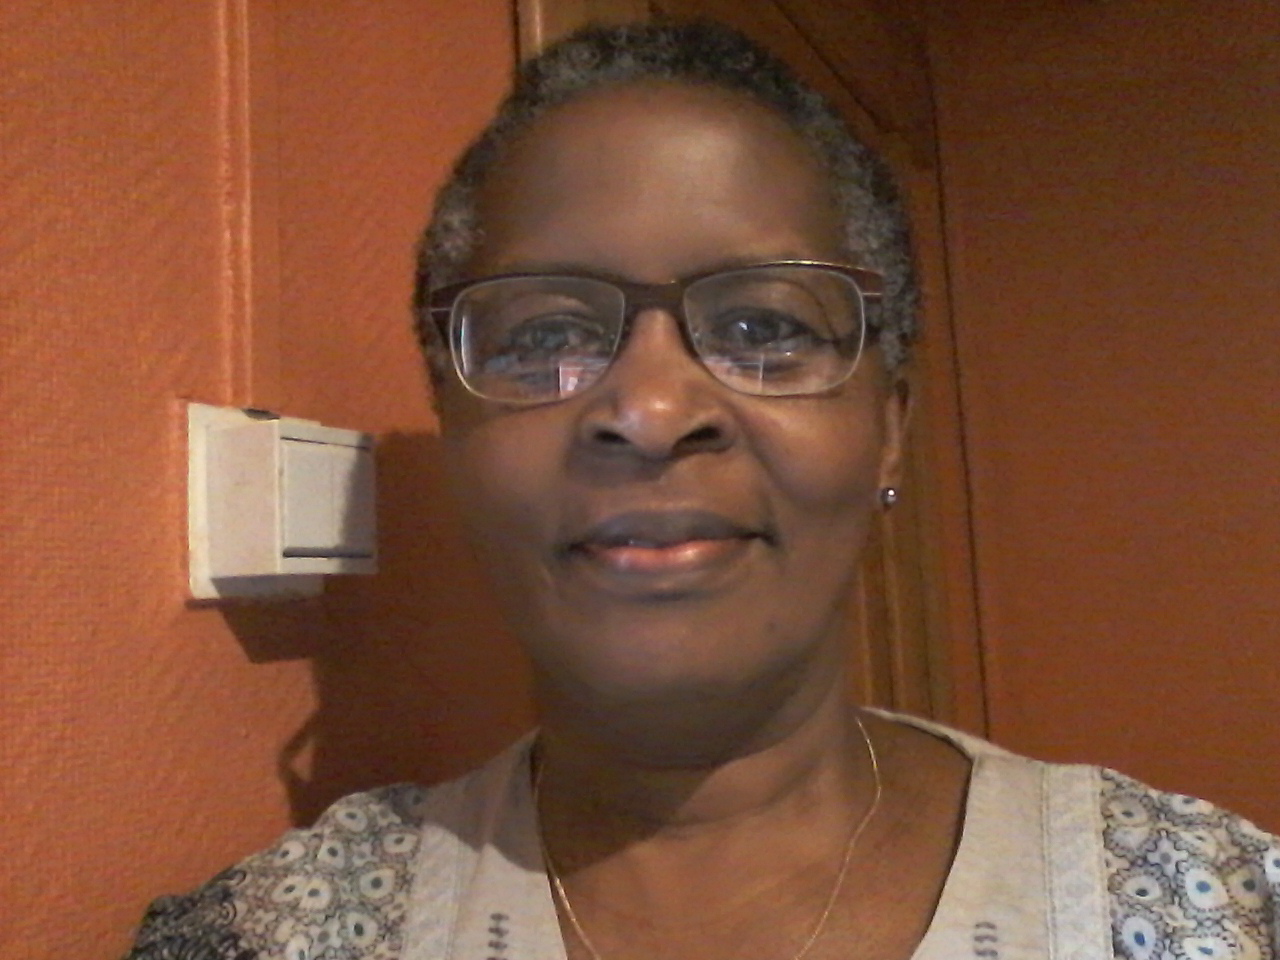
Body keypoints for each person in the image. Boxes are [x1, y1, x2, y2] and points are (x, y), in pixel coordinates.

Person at [125, 21, 1279, 960]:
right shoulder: (269, 938)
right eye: (545, 336)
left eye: (763, 328)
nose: (649, 409)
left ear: (887, 432)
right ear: (457, 441)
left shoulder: (1219, 910)